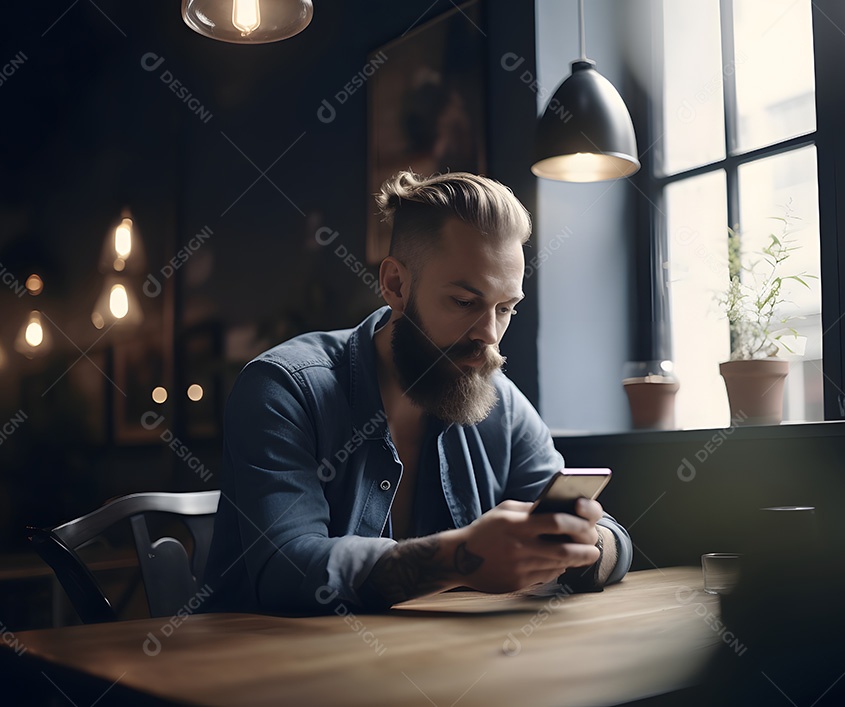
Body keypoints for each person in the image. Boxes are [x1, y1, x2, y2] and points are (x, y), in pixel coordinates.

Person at [202, 171, 633, 613]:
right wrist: (459, 560)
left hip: (427, 671)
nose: (489, 336)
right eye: (465, 303)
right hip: (255, 670)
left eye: (505, 309)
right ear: (395, 285)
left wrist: (585, 543)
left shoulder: (499, 404)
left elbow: (614, 539)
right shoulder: (285, 390)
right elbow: (286, 571)